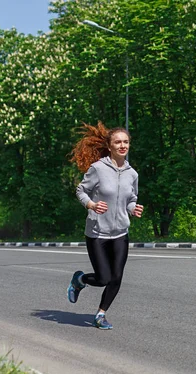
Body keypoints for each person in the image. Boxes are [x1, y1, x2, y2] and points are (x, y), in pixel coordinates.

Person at [67, 122, 143, 330]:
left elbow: (130, 198)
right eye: (118, 142)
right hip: (97, 232)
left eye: (126, 142)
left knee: (116, 278)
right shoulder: (98, 169)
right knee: (103, 278)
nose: (122, 145)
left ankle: (100, 315)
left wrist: (133, 208)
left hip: (120, 233)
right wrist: (91, 204)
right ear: (109, 146)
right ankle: (80, 280)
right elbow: (81, 191)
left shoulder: (132, 174)